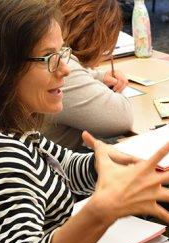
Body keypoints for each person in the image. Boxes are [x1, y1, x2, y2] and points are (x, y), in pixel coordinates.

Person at [0, 0, 169, 243]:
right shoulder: (1, 153)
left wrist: (101, 165)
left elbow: (62, 165)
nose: (65, 69)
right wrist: (99, 213)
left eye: (63, 53)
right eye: (49, 58)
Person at [42, 0, 133, 150]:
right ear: (96, 36)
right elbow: (122, 118)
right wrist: (122, 90)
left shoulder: (53, 58)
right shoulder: (62, 68)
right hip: (51, 167)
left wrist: (98, 76)